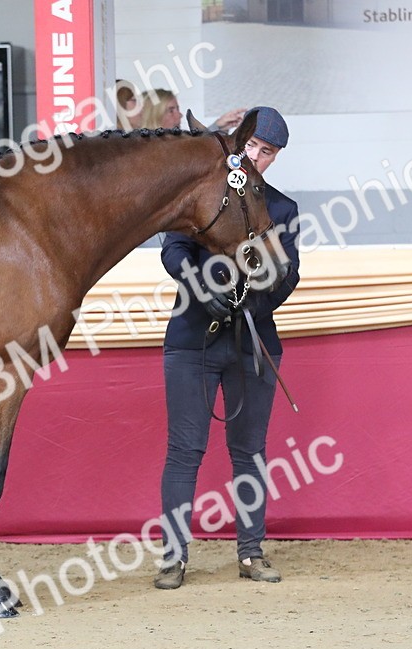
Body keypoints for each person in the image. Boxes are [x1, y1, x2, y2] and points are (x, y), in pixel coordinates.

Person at [154, 106, 301, 590]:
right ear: (240, 143)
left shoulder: (282, 210)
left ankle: (251, 554)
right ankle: (173, 557)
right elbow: (173, 250)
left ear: (276, 157)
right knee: (184, 450)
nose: (258, 157)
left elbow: (288, 275)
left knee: (249, 453)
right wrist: (201, 286)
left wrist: (249, 305)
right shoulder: (201, 194)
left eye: (268, 152)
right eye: (254, 147)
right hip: (193, 339)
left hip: (253, 344)